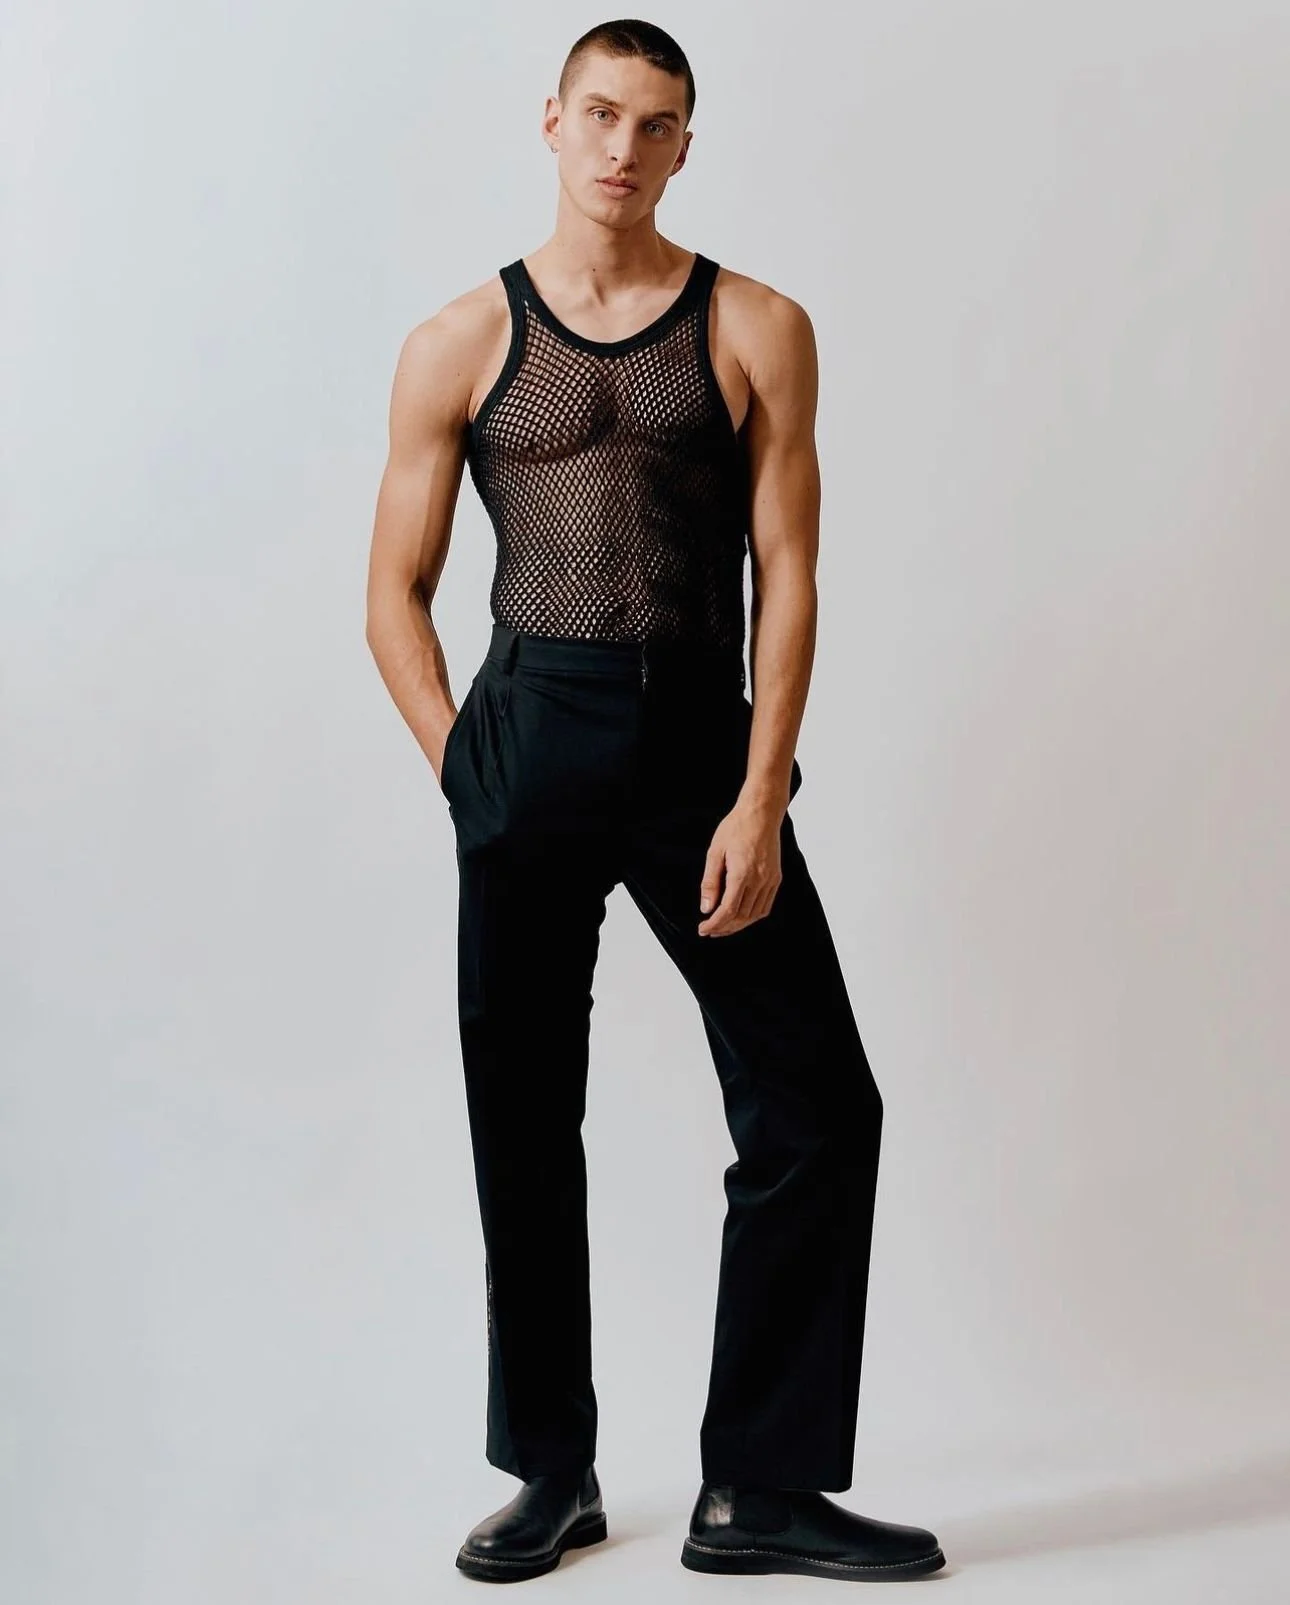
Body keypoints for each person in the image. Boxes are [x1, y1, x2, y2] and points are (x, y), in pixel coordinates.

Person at [365, 16, 947, 1586]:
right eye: (602, 115)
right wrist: (464, 768)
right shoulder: (458, 341)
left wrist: (760, 794)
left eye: (657, 125)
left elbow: (791, 573)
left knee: (815, 1106)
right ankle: (550, 1475)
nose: (624, 149)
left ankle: (757, 1487)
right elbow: (392, 591)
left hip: (696, 741)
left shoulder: (754, 324)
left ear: (687, 145)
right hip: (530, 732)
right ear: (551, 121)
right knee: (520, 1119)